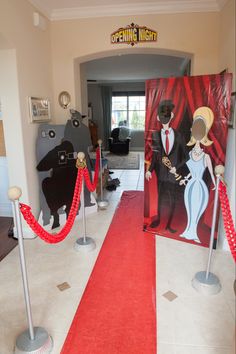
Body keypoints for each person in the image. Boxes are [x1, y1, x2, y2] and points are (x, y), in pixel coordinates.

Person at [145, 100, 188, 233]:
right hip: (161, 174)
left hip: (174, 175)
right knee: (160, 197)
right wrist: (149, 170)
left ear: (172, 116)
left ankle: (170, 224)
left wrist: (177, 167)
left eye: (167, 114)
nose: (164, 118)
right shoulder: (155, 135)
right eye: (161, 115)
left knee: (173, 199)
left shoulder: (179, 136)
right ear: (158, 118)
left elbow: (186, 156)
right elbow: (156, 156)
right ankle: (158, 219)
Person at [179, 106, 216, 243]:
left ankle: (194, 232)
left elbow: (211, 172)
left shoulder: (205, 156)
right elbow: (190, 171)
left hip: (200, 187)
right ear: (191, 130)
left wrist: (215, 183)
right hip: (190, 185)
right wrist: (185, 179)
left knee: (197, 208)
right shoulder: (190, 153)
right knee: (189, 208)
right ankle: (188, 231)